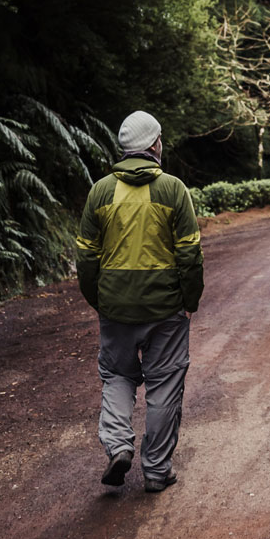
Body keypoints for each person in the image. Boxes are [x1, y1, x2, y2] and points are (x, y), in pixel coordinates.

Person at [75, 110, 204, 493]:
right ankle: (156, 470)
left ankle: (118, 446)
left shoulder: (99, 191)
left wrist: (99, 300)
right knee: (164, 385)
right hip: (165, 308)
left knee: (117, 375)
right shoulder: (173, 189)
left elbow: (85, 257)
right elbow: (189, 255)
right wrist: (189, 299)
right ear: (154, 145)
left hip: (115, 308)